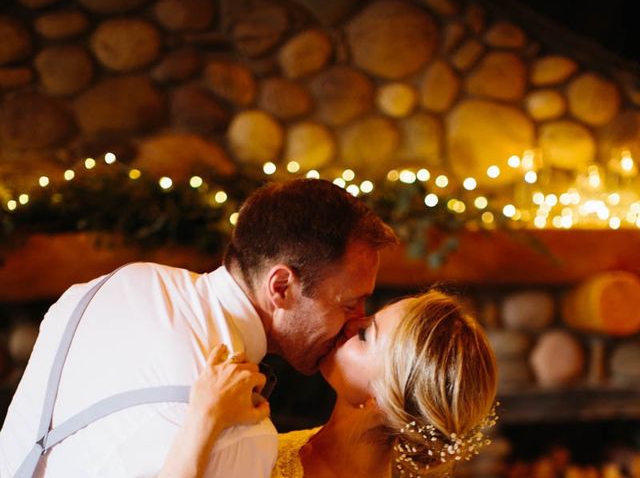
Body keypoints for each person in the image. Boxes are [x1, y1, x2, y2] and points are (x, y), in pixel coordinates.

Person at [0, 179, 398, 477]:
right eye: (348, 303)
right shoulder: (240, 436)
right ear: (281, 287)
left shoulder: (116, 283)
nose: (357, 320)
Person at [163, 289, 498, 478]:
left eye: (367, 335)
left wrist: (204, 418)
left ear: (380, 398)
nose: (352, 322)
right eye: (367, 316)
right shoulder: (301, 444)